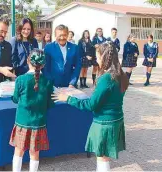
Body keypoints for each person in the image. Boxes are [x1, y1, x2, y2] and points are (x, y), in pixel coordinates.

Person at [52, 42, 128, 172]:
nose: (96, 59)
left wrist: (68, 98)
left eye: (98, 56)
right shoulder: (121, 74)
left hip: (104, 123)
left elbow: (91, 105)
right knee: (105, 157)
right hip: (116, 120)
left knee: (102, 157)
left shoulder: (106, 78)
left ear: (105, 57)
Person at [10, 49, 54, 172]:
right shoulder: (48, 81)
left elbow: (15, 99)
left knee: (18, 150)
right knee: (34, 153)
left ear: (28, 61)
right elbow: (50, 104)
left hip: (22, 121)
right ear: (43, 64)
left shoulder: (20, 79)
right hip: (39, 122)